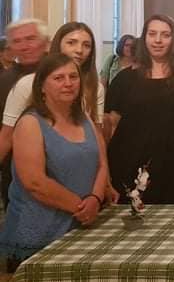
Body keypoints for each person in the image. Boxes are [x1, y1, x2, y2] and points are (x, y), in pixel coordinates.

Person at [0, 53, 108, 268]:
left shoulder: (85, 118)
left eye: (73, 77)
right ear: (42, 86)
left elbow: (102, 163)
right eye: (58, 78)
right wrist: (82, 208)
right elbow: (35, 183)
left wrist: (96, 198)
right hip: (38, 236)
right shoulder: (30, 123)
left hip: (80, 229)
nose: (68, 83)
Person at [106, 14, 174, 204]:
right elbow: (112, 125)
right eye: (152, 34)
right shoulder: (124, 80)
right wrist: (105, 173)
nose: (158, 40)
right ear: (144, 38)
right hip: (131, 165)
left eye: (165, 35)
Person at [2, 22, 106, 153]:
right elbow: (6, 137)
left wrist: (103, 165)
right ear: (58, 44)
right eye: (71, 43)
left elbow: (97, 136)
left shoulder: (95, 87)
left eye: (86, 45)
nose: (79, 50)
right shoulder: (28, 83)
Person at [0, 18, 49, 208]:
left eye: (30, 39)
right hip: (16, 172)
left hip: (61, 166)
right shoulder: (4, 81)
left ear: (45, 42)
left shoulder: (63, 74)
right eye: (17, 41)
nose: (24, 46)